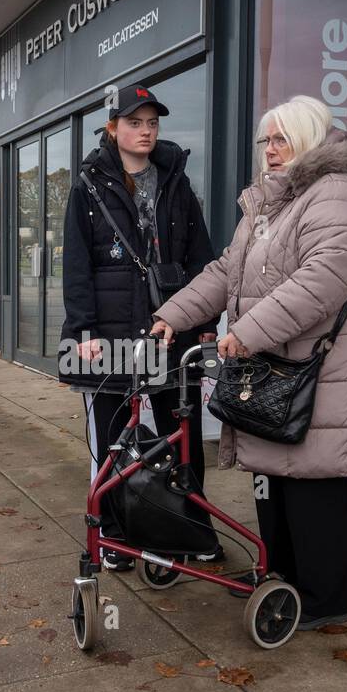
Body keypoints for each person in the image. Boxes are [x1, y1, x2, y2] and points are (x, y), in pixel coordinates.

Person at [151, 95, 347, 630]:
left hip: (326, 371)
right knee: (276, 480)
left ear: (309, 138)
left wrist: (245, 332)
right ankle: (282, 577)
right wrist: (176, 313)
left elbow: (322, 281)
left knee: (313, 484)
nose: (270, 149)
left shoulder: (336, 193)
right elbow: (226, 271)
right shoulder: (269, 202)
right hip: (280, 367)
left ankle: (326, 598)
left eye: (281, 138)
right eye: (266, 139)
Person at [60, 83, 221, 570]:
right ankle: (115, 534)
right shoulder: (88, 186)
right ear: (113, 128)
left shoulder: (175, 180)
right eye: (135, 122)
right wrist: (83, 333)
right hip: (110, 335)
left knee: (182, 436)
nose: (146, 131)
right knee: (114, 438)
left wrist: (208, 321)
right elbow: (77, 268)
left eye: (152, 123)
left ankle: (190, 529)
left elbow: (201, 257)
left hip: (170, 332)